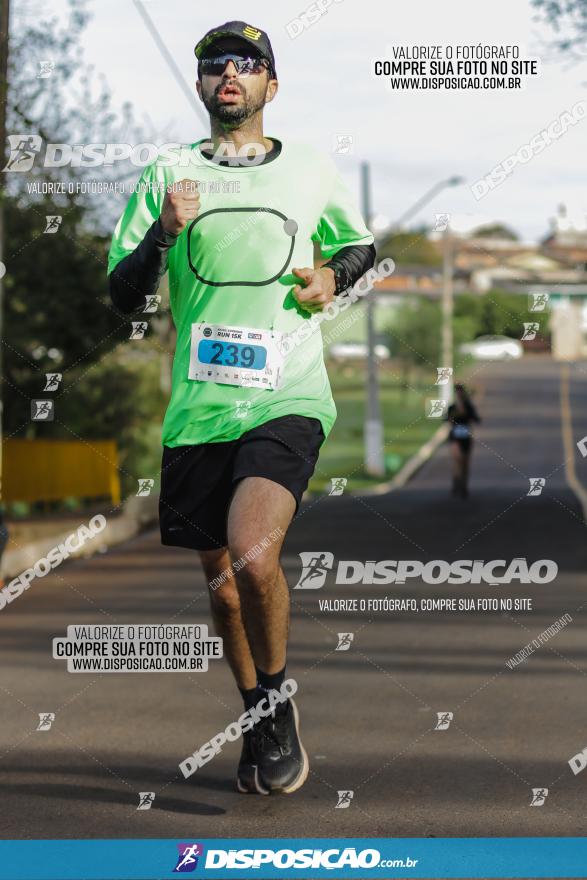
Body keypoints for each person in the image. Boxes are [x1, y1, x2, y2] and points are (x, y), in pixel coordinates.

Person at [107, 21, 375, 795]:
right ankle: (256, 708)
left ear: (270, 85)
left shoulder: (312, 170)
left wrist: (333, 278)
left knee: (254, 553)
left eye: (247, 62)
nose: (230, 72)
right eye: (215, 63)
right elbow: (122, 293)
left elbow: (356, 247)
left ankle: (279, 700)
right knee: (223, 586)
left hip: (285, 397)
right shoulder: (166, 172)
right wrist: (161, 235)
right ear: (200, 87)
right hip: (199, 410)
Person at [446, 384, 481, 498]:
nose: (459, 395)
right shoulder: (452, 407)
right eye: (457, 393)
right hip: (455, 437)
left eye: (461, 393)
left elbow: (477, 419)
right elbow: (446, 419)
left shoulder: (469, 407)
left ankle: (464, 486)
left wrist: (467, 413)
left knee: (465, 462)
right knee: (457, 459)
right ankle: (456, 482)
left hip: (466, 437)